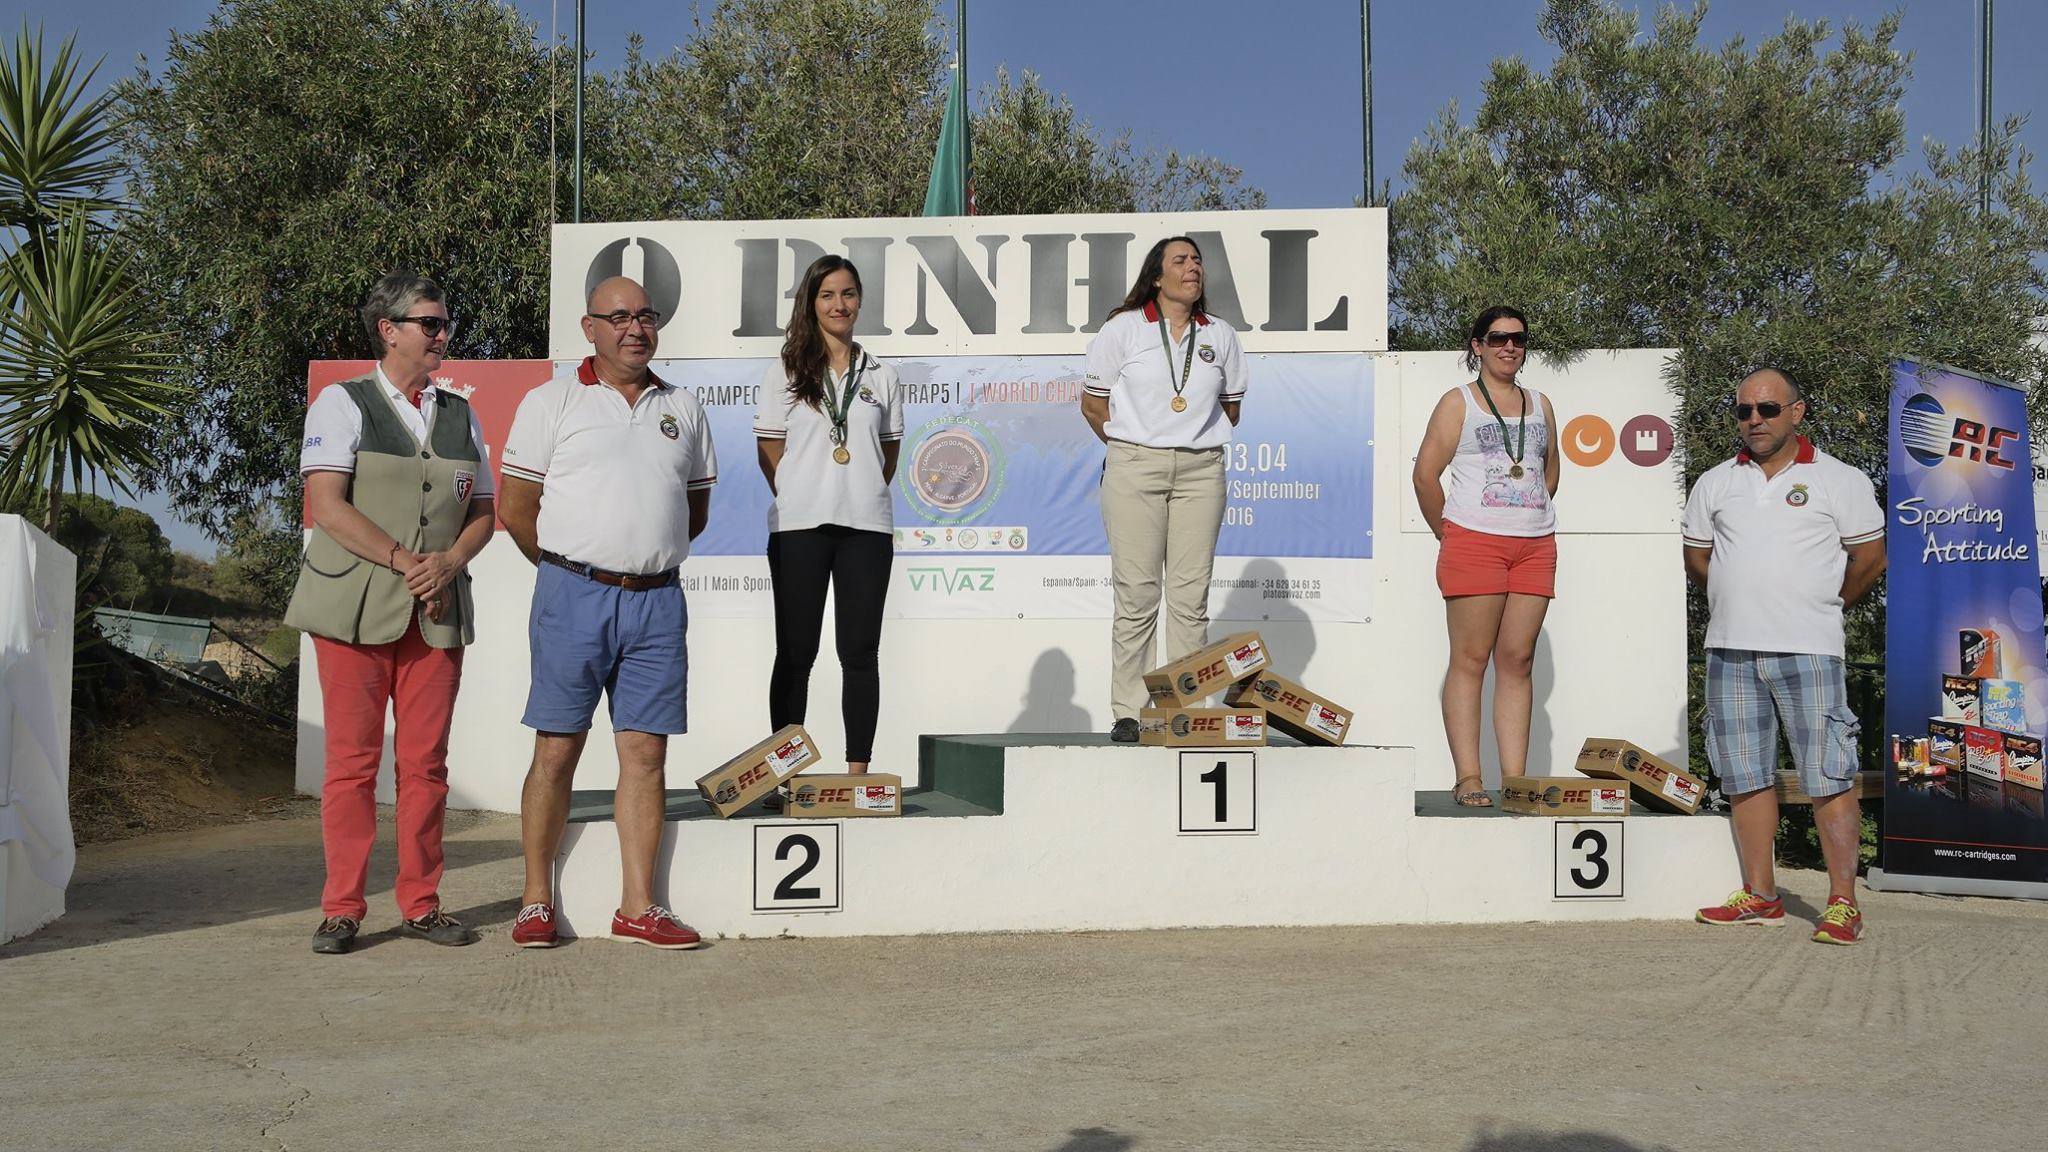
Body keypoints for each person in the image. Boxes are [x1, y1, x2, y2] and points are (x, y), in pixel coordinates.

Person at [498, 276, 717, 951]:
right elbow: (515, 509)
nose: (635, 328)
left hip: (658, 600)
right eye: (618, 317)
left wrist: (637, 559)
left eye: (645, 316)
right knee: (557, 748)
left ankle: (638, 907)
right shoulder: (551, 400)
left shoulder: (683, 405)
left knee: (646, 754)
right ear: (589, 327)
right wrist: (572, 570)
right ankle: (534, 900)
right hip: (573, 595)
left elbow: (693, 511)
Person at [285, 271, 495, 955]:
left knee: (426, 765)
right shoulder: (342, 403)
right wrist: (407, 561)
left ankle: (422, 905)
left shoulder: (461, 413)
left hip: (437, 610)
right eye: (430, 323)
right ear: (389, 330)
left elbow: (484, 511)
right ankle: (342, 908)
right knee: (351, 764)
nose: (442, 335)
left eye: (445, 323)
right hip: (353, 608)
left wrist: (450, 561)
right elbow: (328, 506)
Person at [1685, 367, 1885, 944]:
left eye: (1768, 409)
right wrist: (1740, 601)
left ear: (1797, 412)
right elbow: (1698, 560)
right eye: (1744, 410)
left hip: (1810, 648)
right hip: (1729, 648)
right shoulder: (1715, 482)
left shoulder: (1840, 479)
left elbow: (1871, 558)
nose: (1755, 420)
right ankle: (1761, 895)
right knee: (1743, 774)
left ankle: (1843, 904)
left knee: (1829, 774)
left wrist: (1825, 605)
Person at [1081, 236, 1249, 741]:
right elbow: (1093, 405)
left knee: (1190, 597)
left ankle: (1182, 709)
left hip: (1201, 470)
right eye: (1181, 260)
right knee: (1137, 595)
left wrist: (1188, 438)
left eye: (1197, 260)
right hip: (1135, 466)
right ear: (1157, 277)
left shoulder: (1220, 334)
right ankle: (1130, 711)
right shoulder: (1124, 329)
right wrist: (1132, 446)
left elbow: (1231, 408)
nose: (1193, 266)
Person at [754, 255, 903, 774]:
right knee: (796, 654)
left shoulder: (882, 374)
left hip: (867, 528)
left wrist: (854, 488)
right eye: (828, 295)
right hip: (799, 528)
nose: (840, 305)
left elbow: (887, 454)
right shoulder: (785, 370)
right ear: (811, 303)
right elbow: (770, 449)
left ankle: (857, 776)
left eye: (848, 294)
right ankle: (785, 775)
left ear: (860, 300)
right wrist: (803, 489)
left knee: (860, 654)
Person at [1412, 305, 1560, 807]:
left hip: (1535, 545)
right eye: (1497, 338)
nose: (1509, 346)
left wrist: (1525, 512)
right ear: (1477, 346)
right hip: (1474, 540)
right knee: (1471, 659)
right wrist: (1449, 533)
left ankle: (1515, 782)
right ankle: (1469, 777)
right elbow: (1425, 475)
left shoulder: (1541, 403)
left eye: (1518, 338)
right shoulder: (1458, 402)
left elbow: (1548, 472)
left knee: (1518, 660)